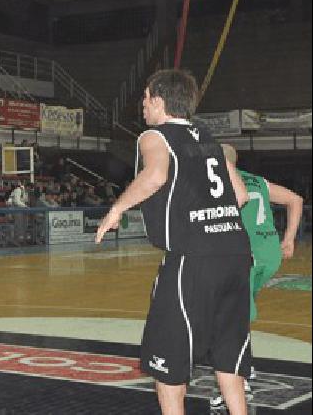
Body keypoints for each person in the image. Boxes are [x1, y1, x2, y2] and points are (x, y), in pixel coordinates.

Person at [93, 69, 253, 415]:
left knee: (169, 366)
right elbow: (240, 195)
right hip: (237, 254)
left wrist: (116, 209)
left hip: (193, 259)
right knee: (229, 358)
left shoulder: (154, 136)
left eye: (146, 98)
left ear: (160, 101)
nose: (143, 105)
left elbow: (155, 176)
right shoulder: (209, 138)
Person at [207, 144, 304, 410]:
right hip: (269, 253)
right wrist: (289, 239)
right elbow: (296, 199)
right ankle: (243, 366)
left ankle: (240, 378)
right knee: (239, 312)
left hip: (245, 256)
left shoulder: (218, 181)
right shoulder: (257, 180)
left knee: (230, 318)